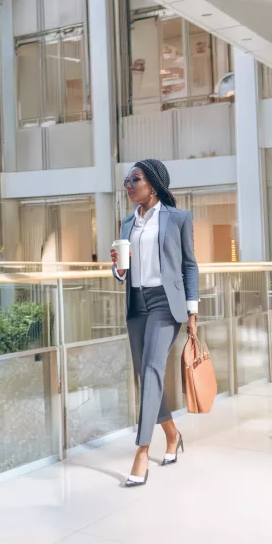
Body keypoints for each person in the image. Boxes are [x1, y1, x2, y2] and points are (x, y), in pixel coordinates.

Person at [111, 158, 199, 487]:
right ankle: (172, 434)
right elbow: (121, 271)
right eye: (126, 180)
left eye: (135, 179)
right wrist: (119, 269)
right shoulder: (126, 223)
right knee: (145, 374)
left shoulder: (177, 218)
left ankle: (142, 452)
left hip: (166, 303)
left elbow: (189, 265)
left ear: (153, 184)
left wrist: (192, 312)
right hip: (137, 303)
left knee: (151, 370)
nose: (128, 185)